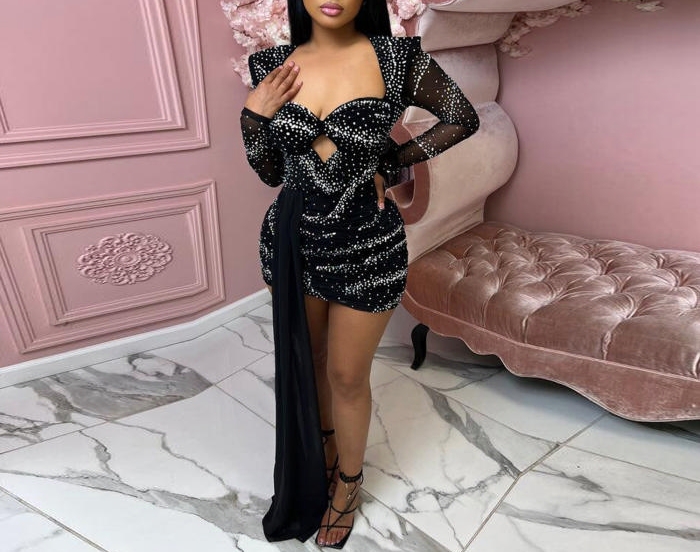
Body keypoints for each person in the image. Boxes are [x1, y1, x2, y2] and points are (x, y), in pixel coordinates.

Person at [239, 0, 480, 548]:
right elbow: (271, 172)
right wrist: (253, 116)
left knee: (347, 376)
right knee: (310, 363)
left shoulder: (396, 58)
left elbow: (461, 118)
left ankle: (348, 484)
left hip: (368, 244)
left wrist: (390, 163)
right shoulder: (272, 65)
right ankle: (322, 450)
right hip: (294, 241)